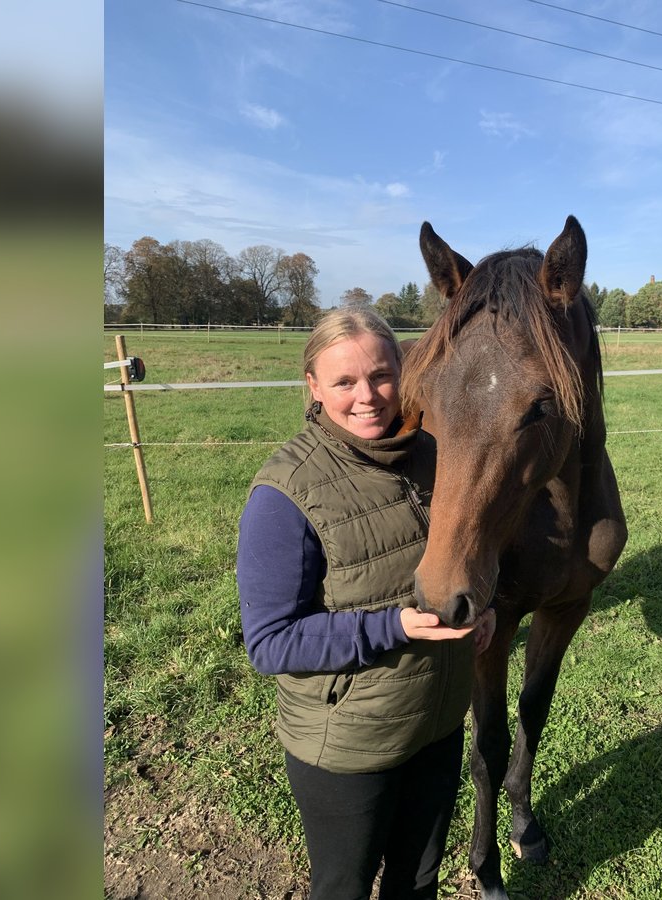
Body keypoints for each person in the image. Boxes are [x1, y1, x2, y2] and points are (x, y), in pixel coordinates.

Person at [237, 307, 495, 900]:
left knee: (420, 877)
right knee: (343, 887)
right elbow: (270, 642)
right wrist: (395, 626)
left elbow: (471, 551)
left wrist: (489, 605)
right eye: (344, 382)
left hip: (437, 723)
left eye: (381, 375)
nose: (368, 397)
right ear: (313, 386)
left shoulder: (437, 456)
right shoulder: (285, 493)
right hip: (350, 743)